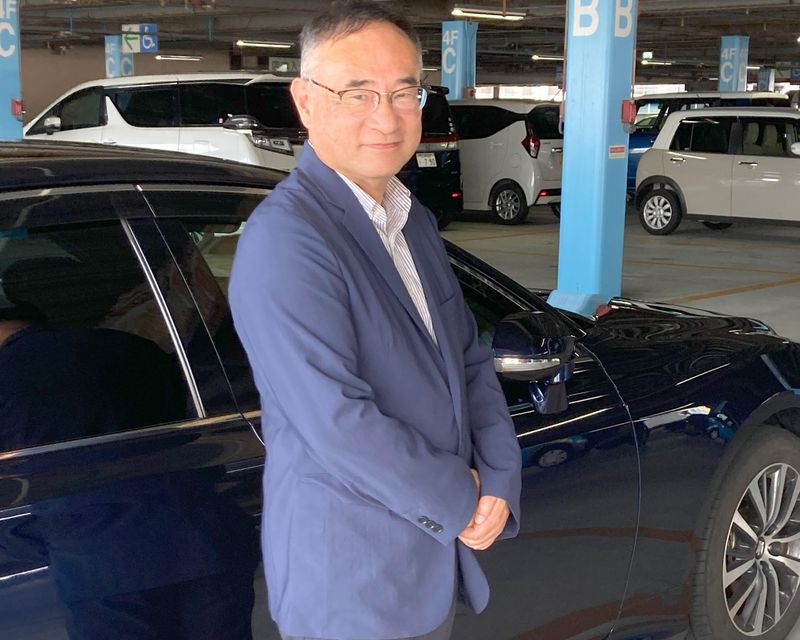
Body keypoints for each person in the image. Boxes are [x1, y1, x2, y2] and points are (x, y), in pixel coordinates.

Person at [229, 2, 522, 639]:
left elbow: (468, 358)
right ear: (305, 101)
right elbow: (337, 422)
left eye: (403, 92)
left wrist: (500, 477)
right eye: (357, 93)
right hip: (352, 583)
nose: (385, 118)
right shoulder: (288, 239)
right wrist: (463, 498)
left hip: (431, 564)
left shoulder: (412, 221)